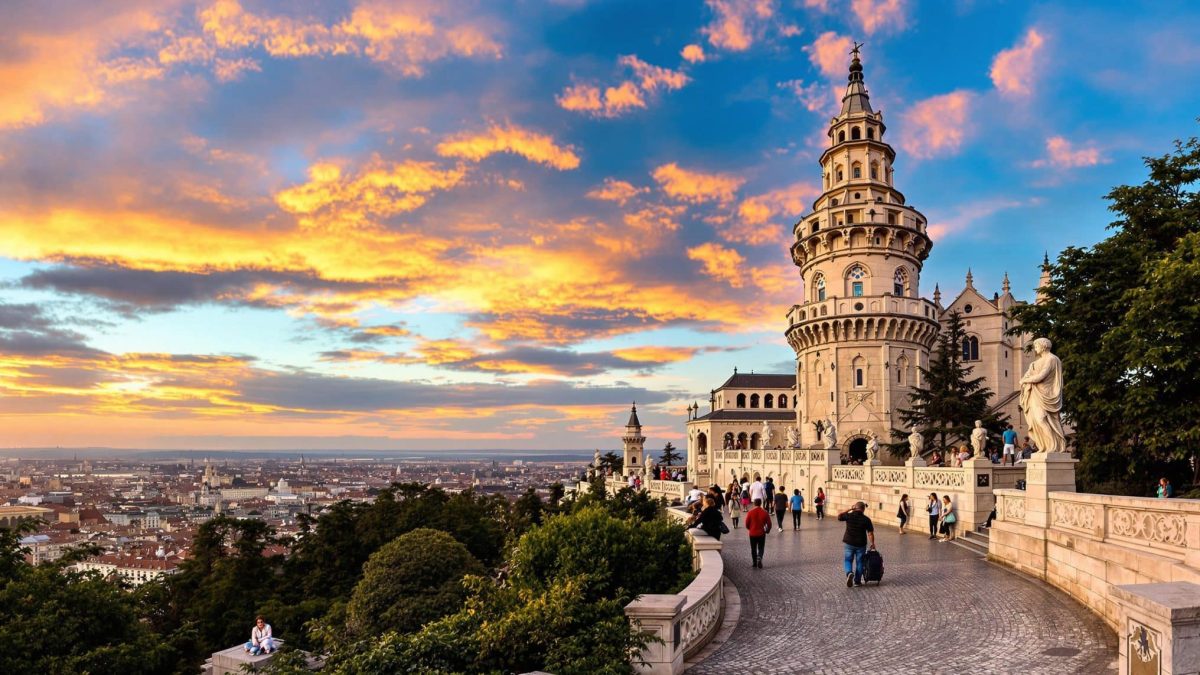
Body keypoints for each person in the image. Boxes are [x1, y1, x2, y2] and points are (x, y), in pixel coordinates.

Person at [837, 501, 875, 587]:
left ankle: (849, 573)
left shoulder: (849, 515)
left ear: (855, 507)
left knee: (848, 560)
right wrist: (872, 543)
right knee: (860, 562)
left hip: (849, 543)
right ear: (863, 509)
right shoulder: (866, 519)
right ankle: (857, 581)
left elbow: (839, 516)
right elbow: (870, 533)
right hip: (861, 544)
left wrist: (850, 508)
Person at [745, 498, 771, 568]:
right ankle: (759, 557)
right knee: (761, 547)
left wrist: (750, 529)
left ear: (754, 504)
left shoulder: (750, 512)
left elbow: (747, 523)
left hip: (752, 533)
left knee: (753, 548)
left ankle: (754, 562)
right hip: (761, 533)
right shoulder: (765, 512)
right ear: (761, 503)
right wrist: (767, 530)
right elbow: (769, 523)